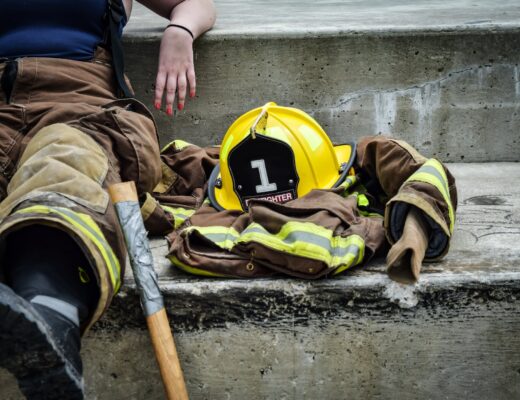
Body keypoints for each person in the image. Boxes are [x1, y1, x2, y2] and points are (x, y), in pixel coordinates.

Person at [0, 1, 216, 399]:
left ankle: (50, 314)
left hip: (78, 105)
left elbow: (195, 3)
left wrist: (180, 32)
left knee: (66, 163)